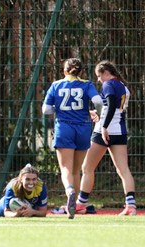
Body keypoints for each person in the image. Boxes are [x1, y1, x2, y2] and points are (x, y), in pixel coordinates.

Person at [42, 58, 103, 219]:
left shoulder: (56, 85)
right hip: (82, 128)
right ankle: (74, 204)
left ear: (64, 71)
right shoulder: (86, 84)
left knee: (66, 169)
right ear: (81, 72)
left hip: (64, 127)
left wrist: (61, 109)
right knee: (77, 170)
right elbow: (97, 101)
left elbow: (46, 110)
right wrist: (97, 113)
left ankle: (69, 191)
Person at [77, 60, 137, 216]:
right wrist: (99, 114)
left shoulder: (108, 85)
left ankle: (81, 204)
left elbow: (110, 105)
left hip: (104, 132)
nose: (99, 80)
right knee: (123, 169)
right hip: (120, 131)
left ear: (105, 72)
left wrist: (103, 126)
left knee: (87, 168)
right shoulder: (124, 87)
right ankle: (131, 206)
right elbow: (115, 109)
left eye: (99, 76)